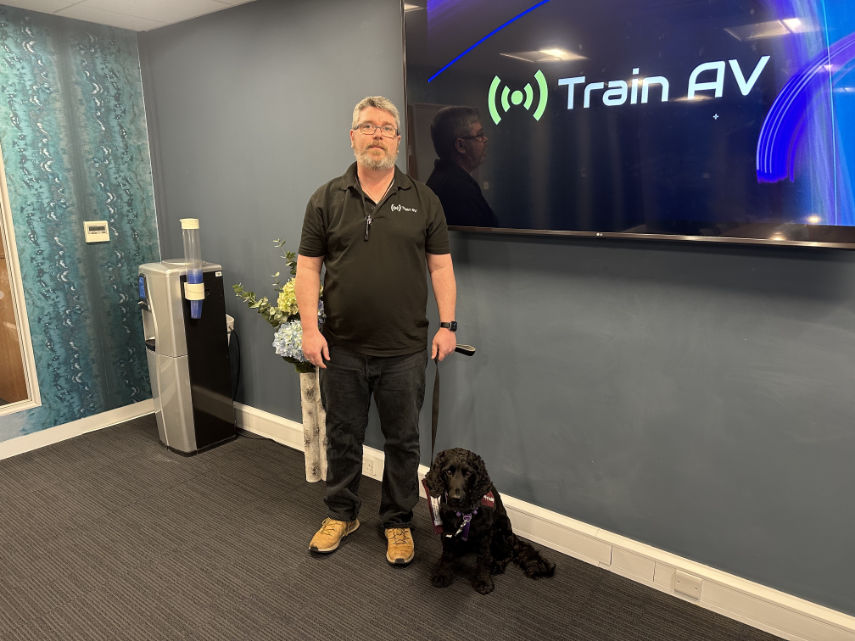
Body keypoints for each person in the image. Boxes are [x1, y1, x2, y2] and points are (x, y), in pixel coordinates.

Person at [295, 96, 458, 566]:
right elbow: (308, 271)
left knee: (403, 441)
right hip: (341, 347)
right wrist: (310, 330)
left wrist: (448, 325)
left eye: (387, 128)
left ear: (398, 139)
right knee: (342, 435)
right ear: (352, 137)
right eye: (367, 127)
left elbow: (442, 268)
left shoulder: (423, 199)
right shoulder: (325, 198)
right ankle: (341, 513)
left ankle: (397, 522)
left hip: (404, 349)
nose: (378, 135)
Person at [426, 106, 498, 228]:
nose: (485, 140)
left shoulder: (441, 179)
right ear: (460, 146)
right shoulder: (457, 190)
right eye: (479, 135)